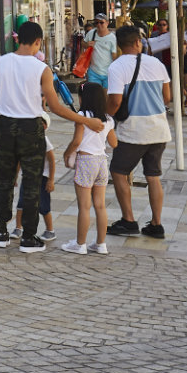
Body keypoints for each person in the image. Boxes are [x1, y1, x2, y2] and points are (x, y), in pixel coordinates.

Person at [0, 21, 105, 253]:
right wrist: (86, 120)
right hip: (31, 127)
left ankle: (1, 231)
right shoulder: (41, 68)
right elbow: (56, 107)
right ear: (38, 42)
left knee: (3, 181)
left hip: (5, 124)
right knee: (31, 182)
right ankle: (29, 237)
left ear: (17, 39)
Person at [104, 25, 173, 239]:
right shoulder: (157, 63)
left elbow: (115, 101)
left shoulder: (116, 67)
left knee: (118, 171)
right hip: (159, 128)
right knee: (153, 176)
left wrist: (106, 116)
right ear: (137, 42)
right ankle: (156, 224)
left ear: (120, 45)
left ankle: (129, 219)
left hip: (133, 131)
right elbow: (167, 97)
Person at [59, 80, 117, 255]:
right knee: (100, 205)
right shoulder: (108, 119)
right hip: (101, 162)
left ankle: (80, 244)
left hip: (86, 161)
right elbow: (114, 143)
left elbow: (77, 141)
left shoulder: (82, 116)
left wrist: (67, 153)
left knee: (84, 206)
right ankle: (100, 244)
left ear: (83, 98)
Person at [83, 15, 118, 93]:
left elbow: (114, 55)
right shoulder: (91, 33)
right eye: (96, 23)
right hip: (93, 72)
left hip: (108, 72)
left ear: (107, 23)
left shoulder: (112, 37)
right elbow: (83, 43)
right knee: (95, 96)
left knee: (106, 97)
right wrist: (87, 44)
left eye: (101, 22)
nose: (99, 25)